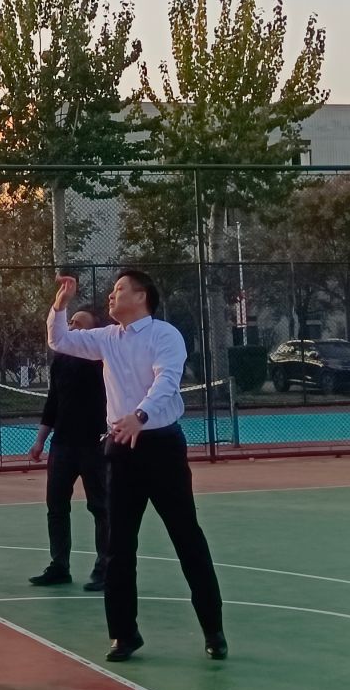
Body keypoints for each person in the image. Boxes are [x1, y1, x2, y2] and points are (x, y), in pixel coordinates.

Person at [47, 271, 225, 663]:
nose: (111, 296)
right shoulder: (107, 338)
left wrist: (139, 416)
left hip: (161, 447)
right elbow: (59, 340)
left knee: (187, 538)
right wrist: (60, 304)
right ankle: (123, 635)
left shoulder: (165, 335)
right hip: (120, 450)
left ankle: (213, 629)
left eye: (119, 289)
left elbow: (167, 381)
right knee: (118, 546)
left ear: (141, 296)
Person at [28, 310, 110, 592]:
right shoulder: (61, 360)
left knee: (101, 506)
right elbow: (53, 401)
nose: (72, 325)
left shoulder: (103, 359)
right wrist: (40, 440)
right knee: (56, 506)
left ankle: (105, 568)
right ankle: (59, 566)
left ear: (93, 331)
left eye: (79, 323)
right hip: (62, 444)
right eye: (71, 321)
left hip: (95, 444)